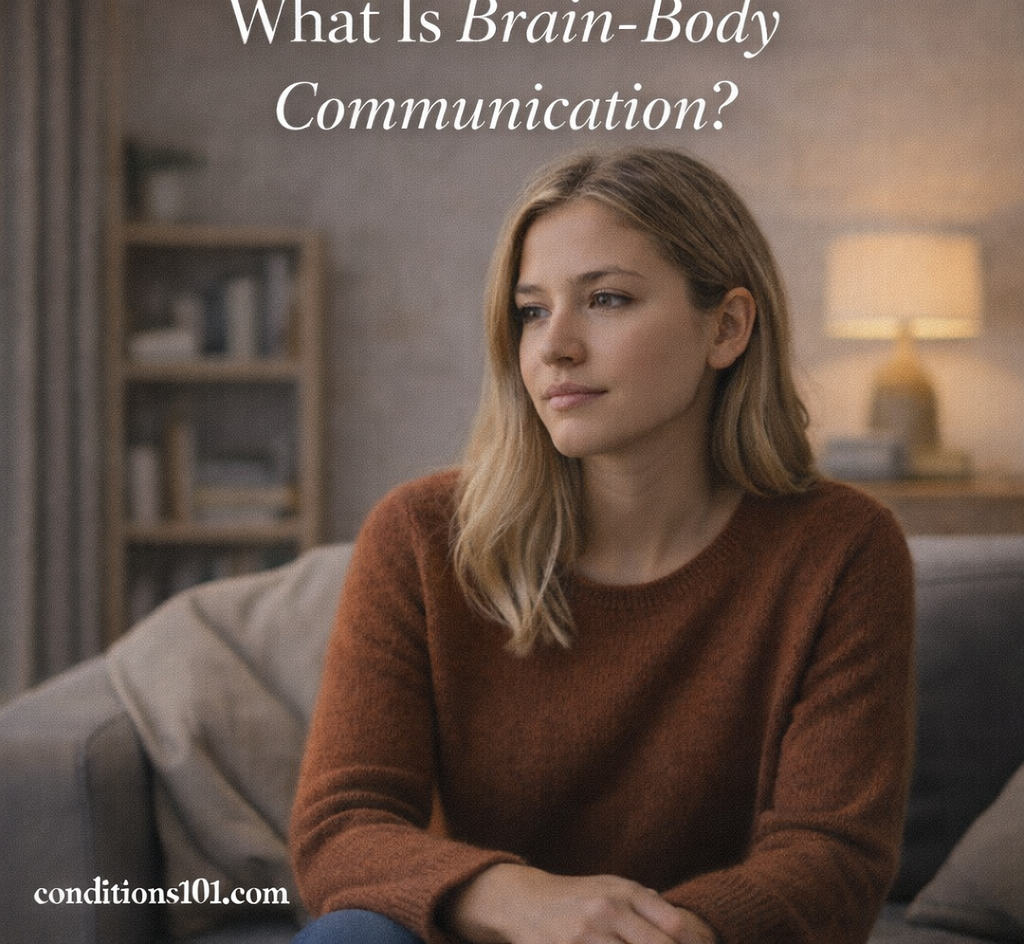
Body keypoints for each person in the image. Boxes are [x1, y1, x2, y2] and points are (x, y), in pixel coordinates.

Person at [289, 147, 915, 944]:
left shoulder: (844, 548)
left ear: (726, 328)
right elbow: (342, 828)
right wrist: (520, 900)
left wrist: (644, 934)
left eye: (607, 299)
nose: (555, 346)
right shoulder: (419, 535)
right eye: (531, 311)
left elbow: (833, 856)